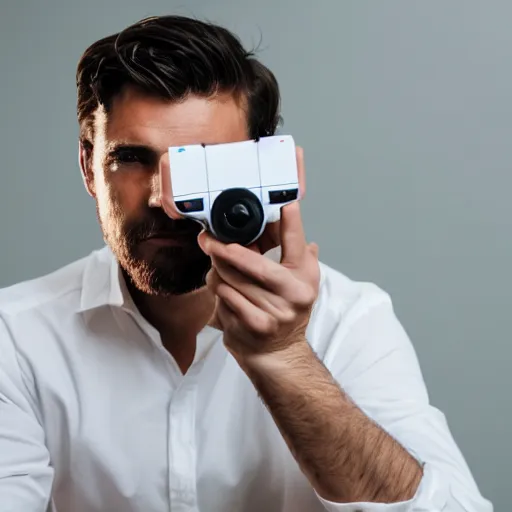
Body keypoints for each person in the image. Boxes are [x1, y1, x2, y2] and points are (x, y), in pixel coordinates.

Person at [0, 15, 492, 512]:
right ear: (89, 167)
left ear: (257, 169)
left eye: (199, 165)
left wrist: (285, 358)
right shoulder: (17, 338)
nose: (160, 197)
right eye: (132, 158)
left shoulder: (349, 321)